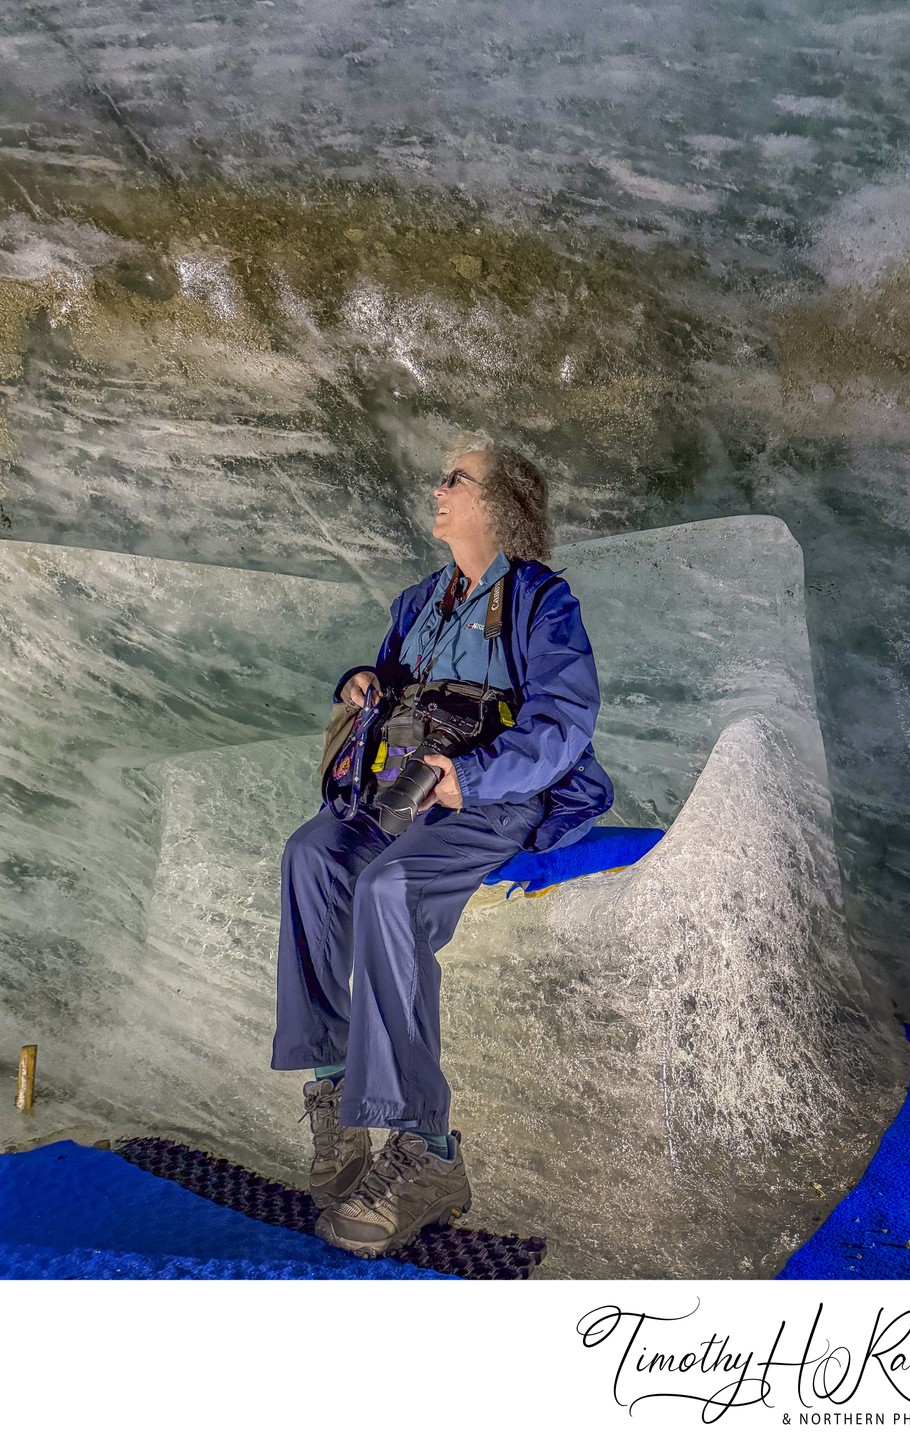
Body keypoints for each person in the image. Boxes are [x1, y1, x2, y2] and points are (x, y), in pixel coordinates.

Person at [272, 433, 613, 1256]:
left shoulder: (540, 601)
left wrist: (476, 779)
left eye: (455, 478)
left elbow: (565, 722)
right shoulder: (418, 600)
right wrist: (364, 684)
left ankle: (428, 1150)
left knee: (392, 890)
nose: (439, 487)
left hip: (491, 800)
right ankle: (337, 1099)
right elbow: (395, 686)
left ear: (499, 506)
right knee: (312, 855)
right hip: (400, 794)